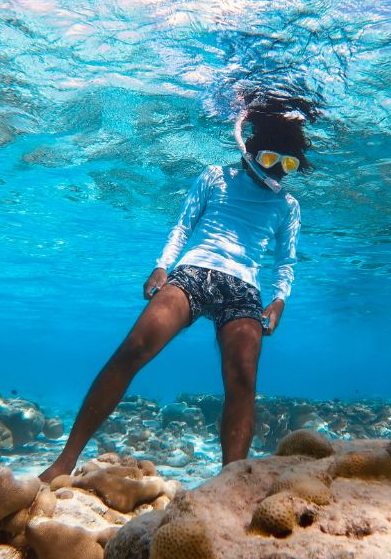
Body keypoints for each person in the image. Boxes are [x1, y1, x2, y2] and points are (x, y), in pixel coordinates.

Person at [39, 95, 313, 483]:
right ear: (250, 151)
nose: (280, 172)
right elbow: (183, 227)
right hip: (193, 273)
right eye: (272, 160)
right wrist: (161, 266)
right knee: (132, 349)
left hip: (244, 289)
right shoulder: (214, 176)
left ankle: (229, 485)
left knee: (243, 381)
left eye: (290, 165)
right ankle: (65, 461)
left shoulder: (288, 205)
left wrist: (280, 297)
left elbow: (285, 261)